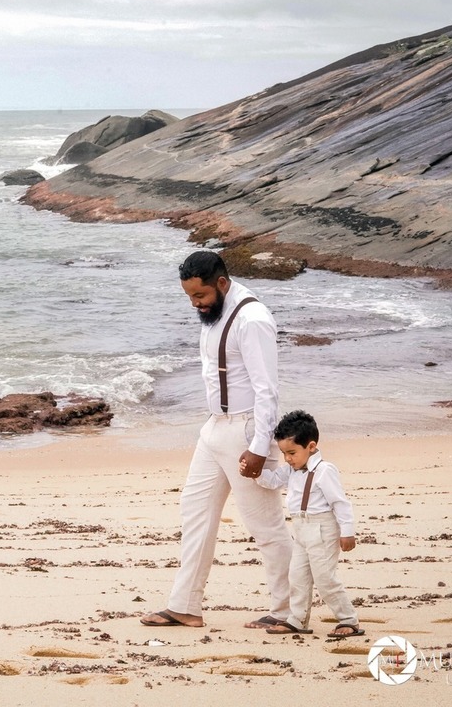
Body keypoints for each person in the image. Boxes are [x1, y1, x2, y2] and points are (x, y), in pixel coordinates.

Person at [140, 250, 292, 629]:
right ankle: (185, 606)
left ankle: (289, 610)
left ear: (222, 283)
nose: (195, 304)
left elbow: (266, 390)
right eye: (189, 296)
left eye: (200, 296)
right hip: (214, 429)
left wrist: (259, 447)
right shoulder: (212, 312)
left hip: (246, 431)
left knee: (266, 526)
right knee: (195, 513)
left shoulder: (252, 319)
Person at [247, 409, 363, 639]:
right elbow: (272, 481)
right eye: (284, 454)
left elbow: (340, 503)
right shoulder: (291, 470)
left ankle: (348, 619)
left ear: (310, 446)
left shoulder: (324, 470)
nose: (288, 458)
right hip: (300, 529)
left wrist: (347, 532)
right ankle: (297, 619)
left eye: (291, 453)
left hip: (322, 529)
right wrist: (255, 472)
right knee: (297, 576)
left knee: (325, 578)